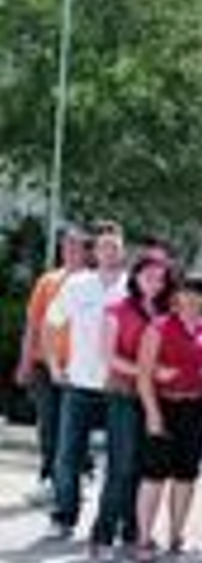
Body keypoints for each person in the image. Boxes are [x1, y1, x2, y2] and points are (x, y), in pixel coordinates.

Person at [44, 221, 128, 541]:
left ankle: (111, 520)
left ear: (122, 251)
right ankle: (64, 516)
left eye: (115, 247)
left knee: (119, 461)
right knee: (67, 457)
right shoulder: (77, 284)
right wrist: (54, 365)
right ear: (95, 251)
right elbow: (51, 324)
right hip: (79, 385)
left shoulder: (131, 287)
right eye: (103, 246)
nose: (109, 252)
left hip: (118, 388)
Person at [134, 275, 202, 563]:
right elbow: (143, 376)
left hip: (196, 409)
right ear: (177, 296)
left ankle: (176, 536)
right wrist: (152, 414)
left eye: (199, 292)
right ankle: (144, 539)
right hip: (164, 406)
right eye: (187, 292)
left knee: (186, 475)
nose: (192, 298)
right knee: (154, 475)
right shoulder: (158, 326)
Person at [90, 248, 172, 560]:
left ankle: (132, 532)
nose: (155, 283)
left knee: (141, 466)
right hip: (123, 395)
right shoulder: (116, 310)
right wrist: (146, 371)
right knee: (121, 466)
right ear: (135, 277)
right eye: (149, 276)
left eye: (160, 279)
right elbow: (107, 355)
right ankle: (102, 537)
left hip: (155, 398)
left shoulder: (164, 313)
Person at [14, 225, 87, 502]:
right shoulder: (48, 281)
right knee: (48, 423)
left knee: (73, 426)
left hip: (78, 368)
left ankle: (75, 476)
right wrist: (25, 361)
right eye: (66, 245)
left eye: (77, 246)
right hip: (44, 364)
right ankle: (49, 477)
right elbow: (34, 324)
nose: (71, 250)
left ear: (86, 251)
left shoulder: (93, 282)